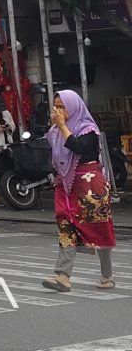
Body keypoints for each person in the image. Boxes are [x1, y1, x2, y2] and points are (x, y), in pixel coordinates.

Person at [42, 90, 117, 292]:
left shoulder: (87, 129)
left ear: (74, 107)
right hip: (66, 185)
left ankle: (107, 275)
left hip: (90, 185)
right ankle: (63, 276)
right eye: (56, 106)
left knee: (98, 228)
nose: (58, 110)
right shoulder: (55, 132)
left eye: (62, 106)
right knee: (66, 225)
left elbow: (79, 149)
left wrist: (63, 127)